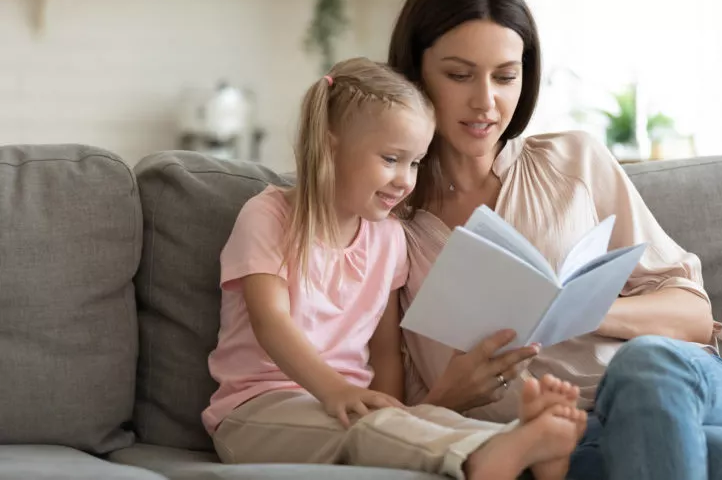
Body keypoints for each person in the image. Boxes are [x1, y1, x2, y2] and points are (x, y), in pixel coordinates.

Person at [390, 0, 722, 480]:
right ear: (416, 73)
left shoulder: (573, 162)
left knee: (645, 366)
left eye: (506, 76)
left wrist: (586, 310)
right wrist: (451, 395)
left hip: (681, 384)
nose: (486, 101)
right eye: (459, 75)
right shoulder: (388, 221)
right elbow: (390, 414)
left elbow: (694, 316)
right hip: (560, 438)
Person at [201, 57, 588, 480]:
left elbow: (385, 352)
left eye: (416, 163)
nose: (406, 180)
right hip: (257, 410)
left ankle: (529, 447)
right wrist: (335, 390)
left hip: (353, 404)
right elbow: (270, 321)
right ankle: (499, 452)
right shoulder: (269, 215)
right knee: (367, 428)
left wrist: (400, 412)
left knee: (422, 423)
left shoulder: (389, 239)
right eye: (391, 159)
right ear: (331, 147)